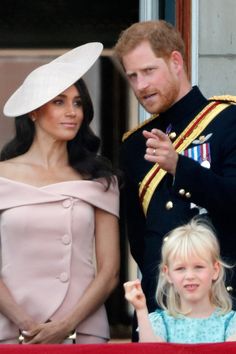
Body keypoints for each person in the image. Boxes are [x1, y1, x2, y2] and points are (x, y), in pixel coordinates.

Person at [114, 20, 236, 339]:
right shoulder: (133, 146)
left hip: (223, 311)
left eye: (149, 71)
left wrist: (180, 167)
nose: (141, 85)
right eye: (133, 76)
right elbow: (140, 241)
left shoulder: (228, 121)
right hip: (161, 313)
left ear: (176, 61)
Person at [0, 42, 120, 344]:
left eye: (78, 103)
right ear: (34, 112)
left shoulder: (99, 179)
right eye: (60, 102)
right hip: (12, 331)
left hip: (82, 331)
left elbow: (109, 272)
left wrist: (65, 325)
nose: (73, 113)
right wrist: (26, 323)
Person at [124, 219, 236, 343]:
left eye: (198, 267)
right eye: (180, 268)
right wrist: (141, 309)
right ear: (167, 274)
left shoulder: (231, 322)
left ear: (215, 270)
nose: (189, 276)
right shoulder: (159, 322)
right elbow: (150, 351)